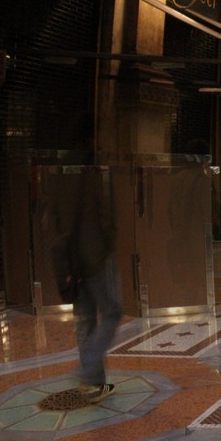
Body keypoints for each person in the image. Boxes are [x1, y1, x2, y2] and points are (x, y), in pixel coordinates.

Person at [61, 162, 122, 401]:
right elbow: (106, 219)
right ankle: (88, 372)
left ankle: (95, 384)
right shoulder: (96, 177)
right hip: (96, 258)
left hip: (73, 261)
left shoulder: (61, 180)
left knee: (84, 320)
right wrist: (108, 246)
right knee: (112, 312)